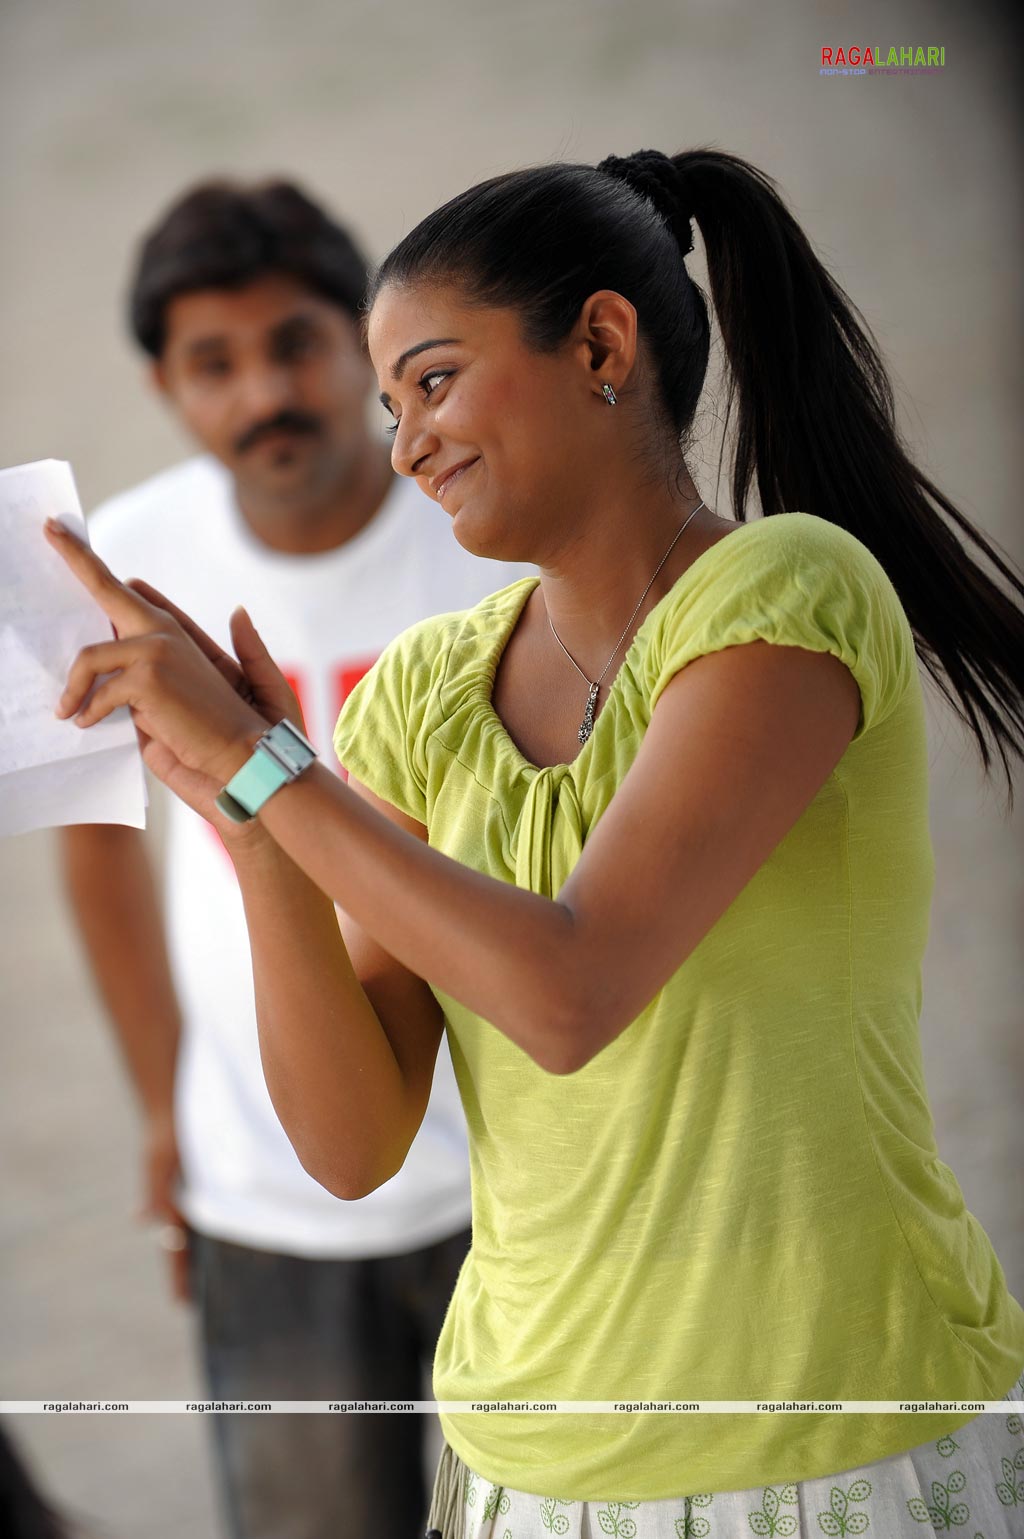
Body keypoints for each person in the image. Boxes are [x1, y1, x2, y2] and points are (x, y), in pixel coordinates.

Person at [48, 147, 1024, 1539]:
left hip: (836, 1434)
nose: (405, 446)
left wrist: (274, 765)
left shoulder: (785, 589)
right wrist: (253, 821)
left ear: (602, 345)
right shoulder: (426, 690)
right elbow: (350, 1141)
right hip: (529, 1463)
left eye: (435, 381)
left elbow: (572, 993)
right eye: (390, 406)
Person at [57, 178, 532, 1539]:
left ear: (363, 348)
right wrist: (165, 1108)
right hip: (261, 1189)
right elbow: (99, 853)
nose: (264, 391)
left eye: (296, 345)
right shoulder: (134, 561)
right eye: (213, 363)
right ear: (164, 384)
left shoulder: (486, 541)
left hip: (503, 1173)